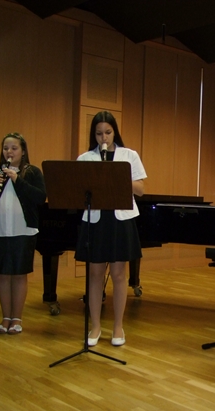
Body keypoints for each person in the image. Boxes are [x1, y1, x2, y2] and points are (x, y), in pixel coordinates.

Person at [75, 111, 147, 347]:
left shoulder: (129, 155)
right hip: (95, 220)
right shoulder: (85, 158)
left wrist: (116, 175)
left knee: (118, 275)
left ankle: (118, 326)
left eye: (108, 132)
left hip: (120, 220)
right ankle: (95, 326)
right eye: (99, 134)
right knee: (95, 275)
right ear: (93, 135)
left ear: (115, 132)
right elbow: (78, 191)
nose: (103, 138)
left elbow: (140, 189)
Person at [0, 133, 46, 335]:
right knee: (3, 274)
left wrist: (17, 180)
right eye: (6, 148)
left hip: (23, 229)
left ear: (23, 151)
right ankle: (5, 318)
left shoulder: (32, 172)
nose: (9, 152)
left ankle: (17, 318)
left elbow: (40, 197)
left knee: (19, 274)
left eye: (14, 148)